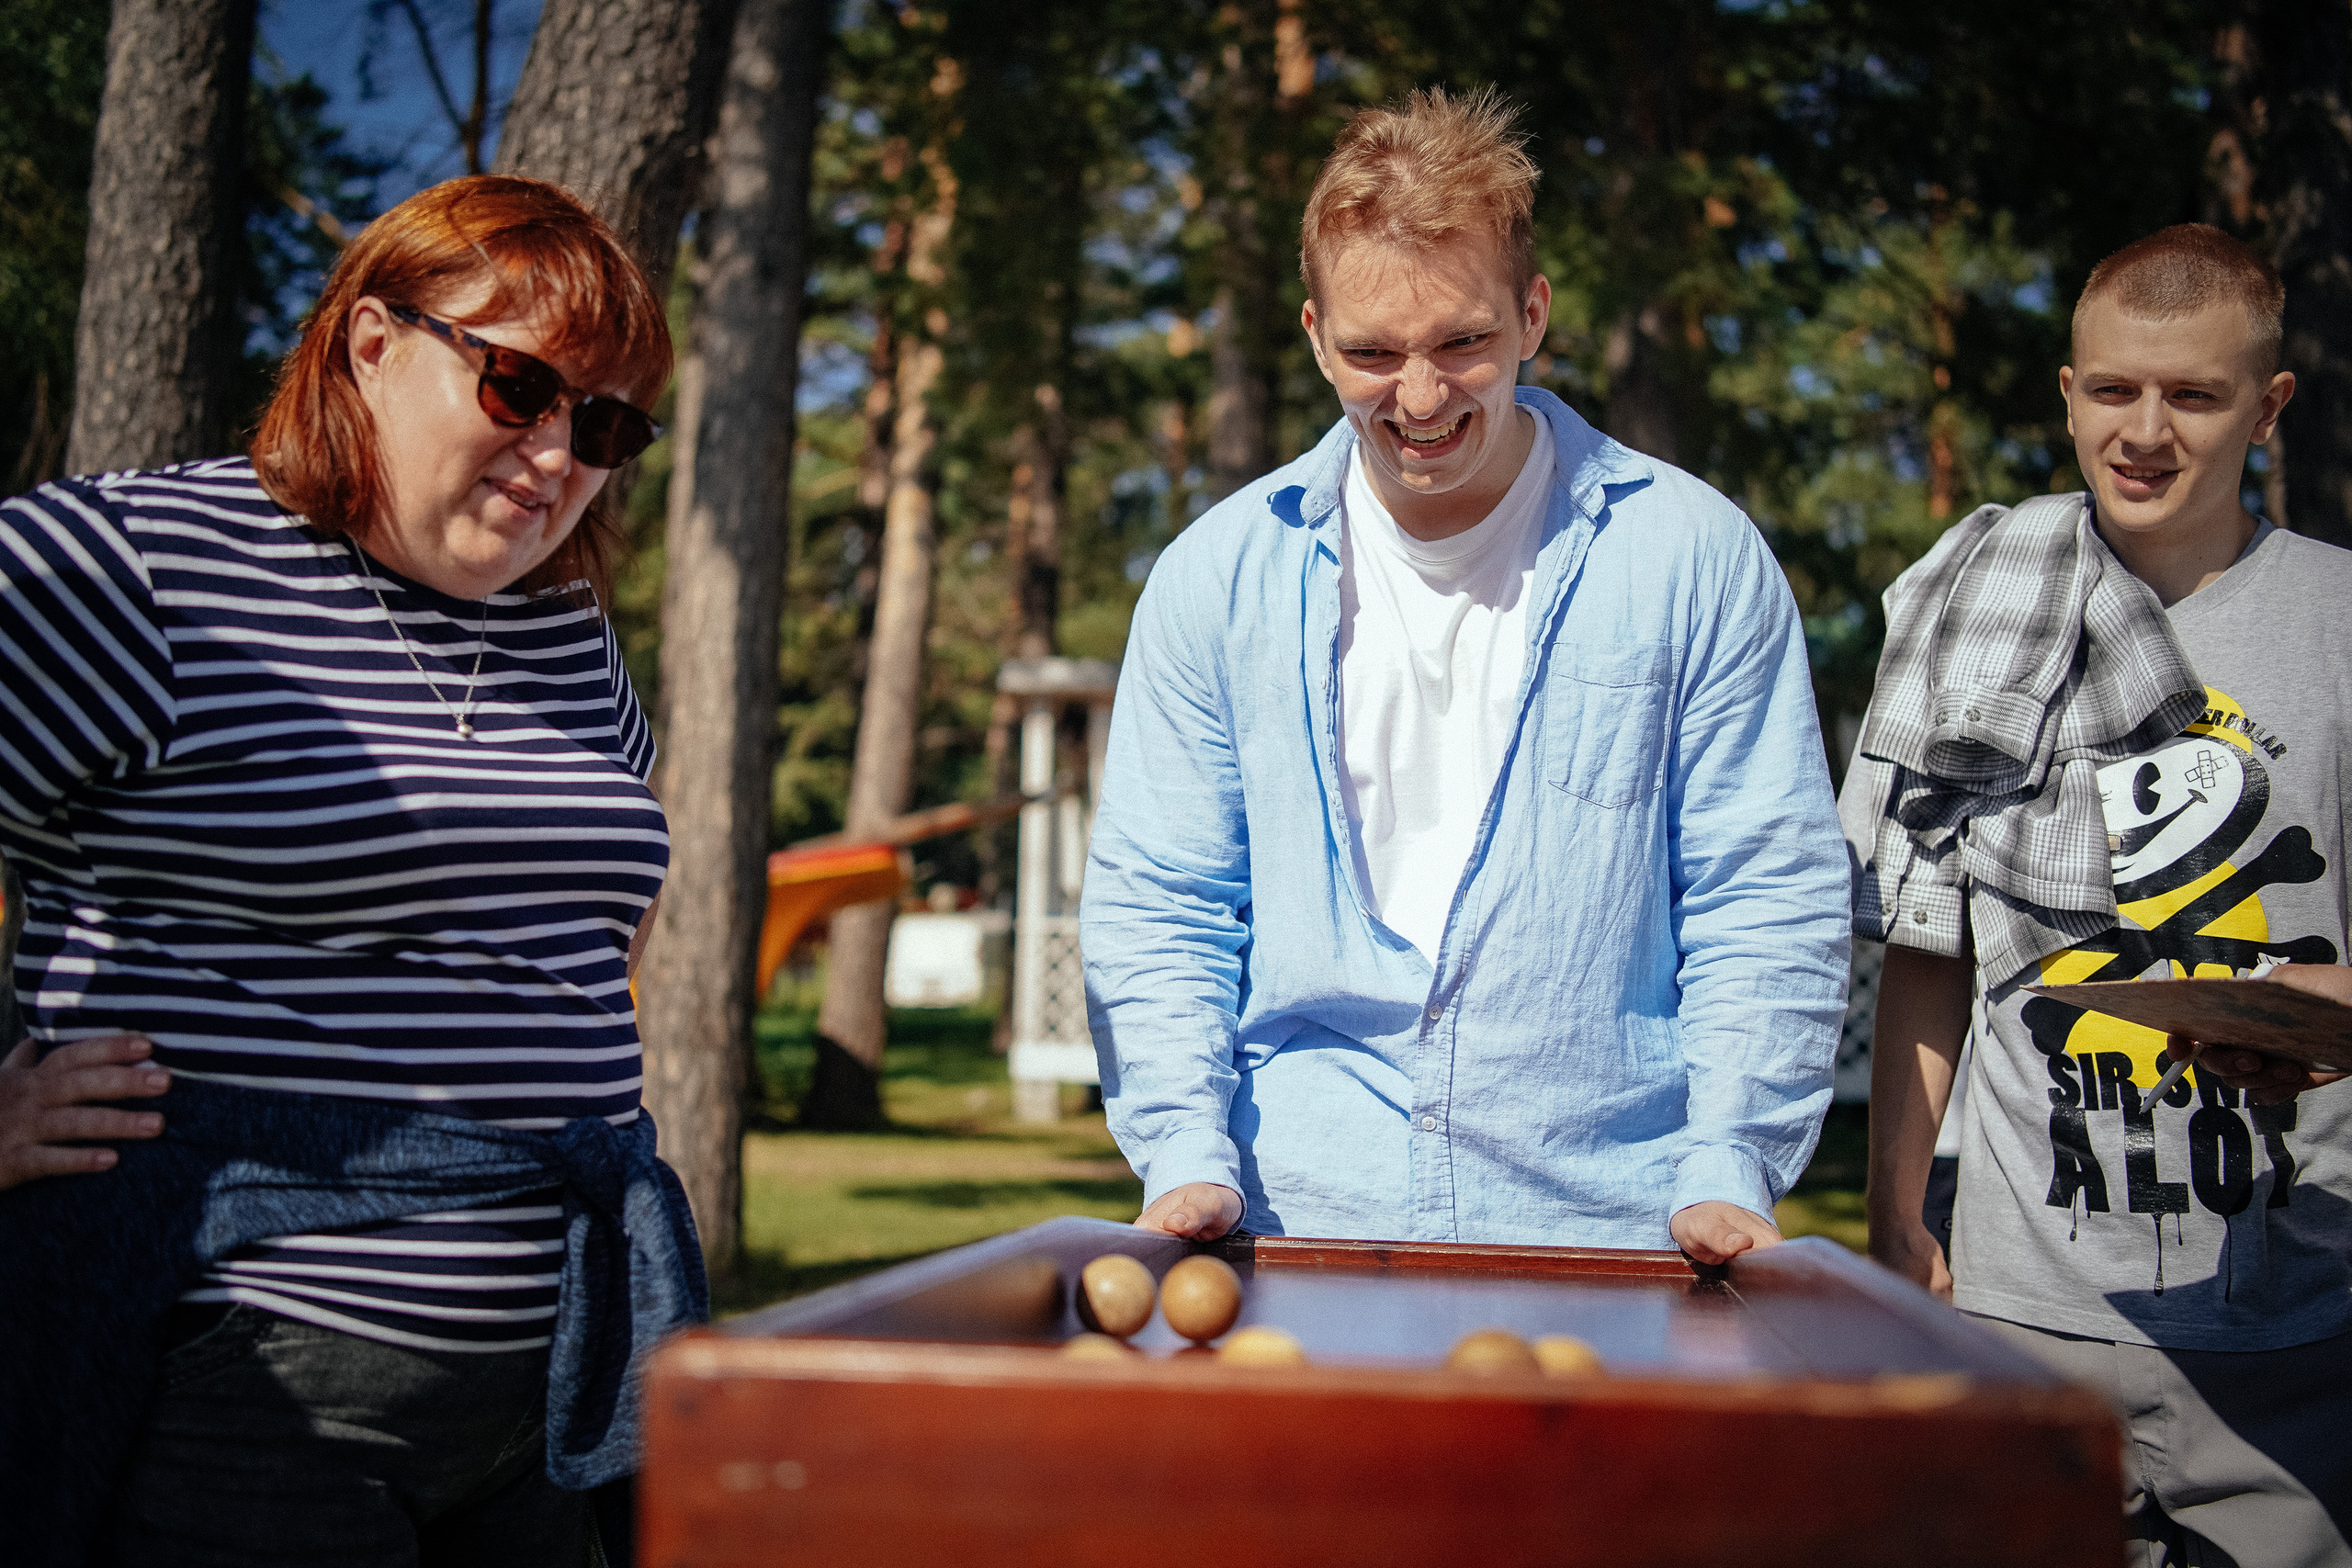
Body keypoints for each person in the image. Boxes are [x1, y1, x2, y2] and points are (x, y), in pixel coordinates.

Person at [0, 174, 701, 1568]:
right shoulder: (127, 566)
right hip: (247, 1397)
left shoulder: (569, 642)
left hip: (550, 1400)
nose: (560, 453)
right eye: (518, 387)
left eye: (607, 423)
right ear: (371, 342)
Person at [1081, 87, 1850, 1260]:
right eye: (1372, 354)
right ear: (1310, 334)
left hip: (1618, 1230)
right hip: (1291, 1226)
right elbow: (1162, 902)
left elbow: (1765, 892)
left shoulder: (1691, 556)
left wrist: (1732, 1161)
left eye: (1463, 342)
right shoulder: (1213, 579)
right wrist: (1185, 1150)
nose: (1423, 397)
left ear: (1532, 314)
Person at [1850, 222, 2352, 1565]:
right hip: (2024, 1308)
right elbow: (1926, 935)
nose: (2145, 430)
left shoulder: (2337, 623)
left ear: (2269, 407)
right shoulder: (1984, 608)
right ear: (2067, 392)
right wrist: (1900, 1211)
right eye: (2114, 389)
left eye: (2194, 394)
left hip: (2299, 1322)